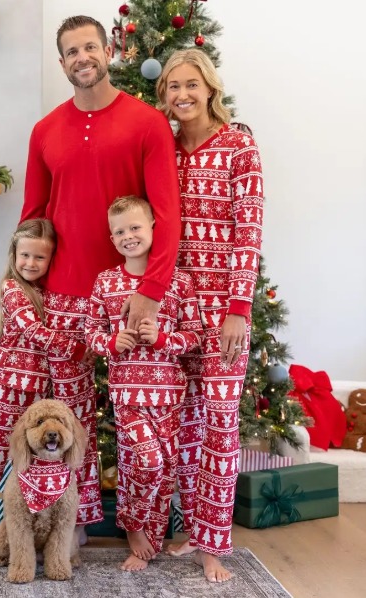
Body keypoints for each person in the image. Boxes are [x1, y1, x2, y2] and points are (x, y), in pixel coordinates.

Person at [21, 15, 181, 537]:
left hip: (128, 295)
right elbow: (33, 217)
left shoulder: (147, 123)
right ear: (61, 62)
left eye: (90, 46)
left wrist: (151, 292)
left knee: (141, 420)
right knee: (70, 417)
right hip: (65, 294)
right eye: (70, 51)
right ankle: (78, 520)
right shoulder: (45, 131)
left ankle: (143, 525)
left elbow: (167, 213)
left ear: (108, 51)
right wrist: (21, 289)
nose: (81, 57)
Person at [155, 48, 264, 583]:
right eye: (173, 86)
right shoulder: (166, 150)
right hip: (176, 309)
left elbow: (250, 230)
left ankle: (214, 545)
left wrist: (238, 310)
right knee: (184, 429)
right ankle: (193, 531)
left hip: (225, 312)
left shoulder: (238, 143)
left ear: (210, 87)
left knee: (220, 429)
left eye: (191, 84)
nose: (182, 94)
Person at [85, 196, 202, 571]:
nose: (128, 236)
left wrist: (163, 339)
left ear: (153, 227)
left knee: (164, 469)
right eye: (119, 231)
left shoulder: (178, 281)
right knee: (147, 462)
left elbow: (195, 335)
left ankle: (147, 544)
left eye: (135, 227)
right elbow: (91, 333)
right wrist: (109, 343)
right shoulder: (106, 282)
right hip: (128, 394)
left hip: (169, 394)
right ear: (111, 237)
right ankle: (133, 526)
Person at [0, 219, 88, 538]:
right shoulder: (12, 289)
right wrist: (75, 348)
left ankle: (42, 528)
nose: (30, 263)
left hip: (38, 390)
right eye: (25, 255)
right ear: (13, 255)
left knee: (43, 456)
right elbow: (33, 331)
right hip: (5, 388)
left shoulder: (47, 291)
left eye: (39, 257)